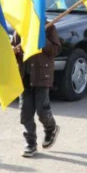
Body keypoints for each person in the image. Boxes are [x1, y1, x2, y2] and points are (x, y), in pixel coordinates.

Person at [17, 24, 62, 156]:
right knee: (25, 113)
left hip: (42, 76)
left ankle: (50, 128)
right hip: (24, 76)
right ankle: (30, 143)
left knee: (42, 110)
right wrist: (14, 50)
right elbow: (13, 48)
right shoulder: (20, 25)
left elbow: (56, 49)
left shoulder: (48, 27)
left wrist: (42, 40)